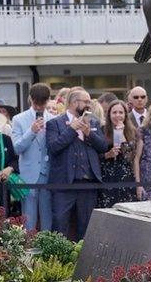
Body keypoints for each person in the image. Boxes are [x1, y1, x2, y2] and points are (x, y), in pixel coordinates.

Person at [47, 89, 108, 241]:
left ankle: (85, 262)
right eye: (86, 102)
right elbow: (53, 147)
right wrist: (72, 129)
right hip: (64, 184)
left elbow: (103, 147)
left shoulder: (93, 122)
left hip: (88, 183)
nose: (89, 105)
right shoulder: (54, 123)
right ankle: (58, 261)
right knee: (60, 225)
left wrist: (89, 134)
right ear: (74, 103)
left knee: (87, 228)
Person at [11, 83, 53, 231]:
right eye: (36, 103)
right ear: (30, 99)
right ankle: (28, 249)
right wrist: (31, 131)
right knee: (29, 218)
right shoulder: (18, 119)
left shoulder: (54, 119)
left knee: (48, 216)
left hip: (49, 174)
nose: (39, 107)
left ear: (48, 100)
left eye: (42, 103)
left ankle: (49, 249)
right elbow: (16, 148)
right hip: (28, 175)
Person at [98, 100, 139, 207]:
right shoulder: (101, 130)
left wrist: (122, 135)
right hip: (107, 176)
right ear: (109, 115)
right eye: (114, 112)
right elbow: (95, 156)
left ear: (125, 115)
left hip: (125, 176)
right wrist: (108, 155)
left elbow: (130, 157)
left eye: (121, 112)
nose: (118, 115)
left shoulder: (132, 131)